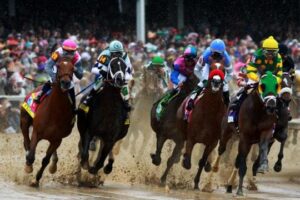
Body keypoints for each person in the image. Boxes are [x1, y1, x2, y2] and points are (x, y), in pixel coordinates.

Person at [228, 36, 283, 124]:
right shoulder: (256, 56)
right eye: (268, 52)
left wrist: (276, 80)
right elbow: (249, 71)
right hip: (256, 75)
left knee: (282, 95)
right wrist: (258, 79)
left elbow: (280, 72)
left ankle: (282, 118)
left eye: (273, 53)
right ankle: (233, 112)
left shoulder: (279, 57)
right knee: (246, 90)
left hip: (271, 78)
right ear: (262, 49)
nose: (270, 55)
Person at [81, 40, 133, 112]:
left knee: (125, 84)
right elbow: (95, 69)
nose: (117, 55)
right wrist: (103, 72)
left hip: (120, 75)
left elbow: (129, 71)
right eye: (115, 54)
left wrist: (125, 77)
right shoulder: (105, 54)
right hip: (106, 74)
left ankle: (126, 102)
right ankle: (89, 98)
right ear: (110, 52)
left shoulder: (125, 55)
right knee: (100, 79)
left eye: (119, 53)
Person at [34, 39, 83, 113]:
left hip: (68, 75)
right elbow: (48, 66)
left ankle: (73, 107)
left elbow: (80, 75)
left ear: (75, 51)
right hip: (57, 71)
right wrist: (54, 78)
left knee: (71, 86)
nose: (69, 55)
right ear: (63, 49)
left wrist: (75, 69)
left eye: (71, 52)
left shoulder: (77, 58)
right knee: (50, 81)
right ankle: (40, 95)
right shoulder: (57, 53)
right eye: (67, 52)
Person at [187, 39, 232, 110]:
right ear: (211, 51)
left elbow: (230, 74)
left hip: (220, 69)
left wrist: (224, 81)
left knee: (225, 87)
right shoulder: (205, 56)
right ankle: (191, 101)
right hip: (208, 67)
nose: (216, 56)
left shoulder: (227, 59)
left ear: (223, 53)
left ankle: (228, 106)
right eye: (214, 54)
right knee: (202, 83)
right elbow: (196, 70)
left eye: (219, 55)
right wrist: (203, 80)